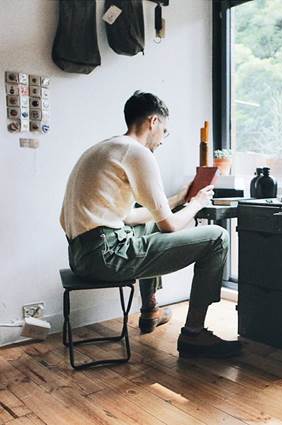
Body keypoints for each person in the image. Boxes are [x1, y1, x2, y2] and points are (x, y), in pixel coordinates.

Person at [60, 91, 241, 358]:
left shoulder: (105, 148)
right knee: (216, 237)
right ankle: (193, 335)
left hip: (80, 255)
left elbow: (129, 217)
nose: (162, 140)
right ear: (153, 122)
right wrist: (197, 203)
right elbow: (169, 225)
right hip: (105, 257)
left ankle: (150, 310)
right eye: (164, 131)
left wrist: (180, 198)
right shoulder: (137, 152)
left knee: (148, 227)